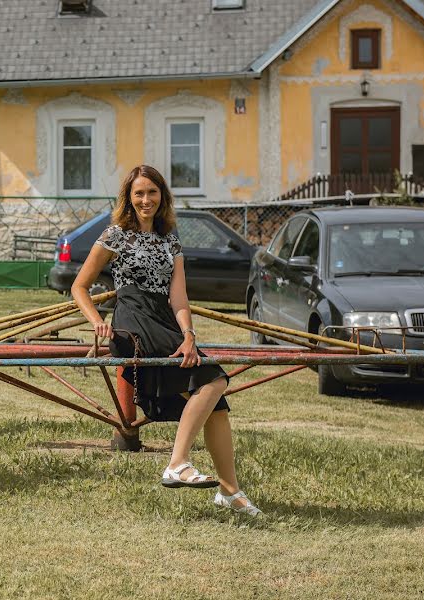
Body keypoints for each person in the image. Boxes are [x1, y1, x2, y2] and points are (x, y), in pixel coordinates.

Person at [71, 165, 261, 516]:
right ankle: (178, 463)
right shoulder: (116, 235)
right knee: (215, 379)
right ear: (129, 197)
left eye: (152, 192)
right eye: (139, 193)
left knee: (215, 400)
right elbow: (79, 287)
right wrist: (97, 322)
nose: (146, 200)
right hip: (132, 323)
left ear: (163, 196)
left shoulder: (170, 239)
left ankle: (230, 491)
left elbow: (179, 299)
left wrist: (189, 336)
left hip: (166, 323)